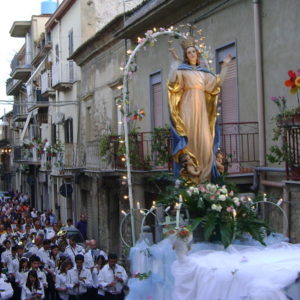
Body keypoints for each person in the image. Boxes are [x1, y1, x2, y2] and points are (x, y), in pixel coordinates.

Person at [168, 36, 231, 183]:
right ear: (186, 56)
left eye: (193, 51)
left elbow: (218, 82)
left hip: (201, 111)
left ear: (197, 54)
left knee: (206, 140)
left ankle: (205, 177)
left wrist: (225, 65)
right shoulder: (182, 71)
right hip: (187, 109)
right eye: (189, 52)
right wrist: (175, 63)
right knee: (189, 139)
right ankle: (191, 177)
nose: (192, 54)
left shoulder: (204, 73)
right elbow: (172, 82)